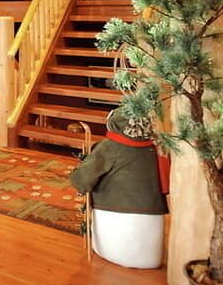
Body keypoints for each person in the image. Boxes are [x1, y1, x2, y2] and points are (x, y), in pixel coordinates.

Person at [70, 108, 169, 269]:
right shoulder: (158, 147)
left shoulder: (109, 147)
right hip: (153, 226)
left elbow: (81, 181)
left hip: (115, 219)